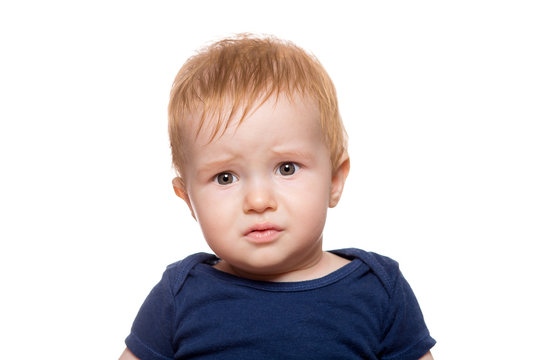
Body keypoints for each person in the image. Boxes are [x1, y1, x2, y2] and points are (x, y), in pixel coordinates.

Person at [119, 34, 436, 360]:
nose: (258, 201)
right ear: (188, 200)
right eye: (225, 177)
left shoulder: (378, 290)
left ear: (335, 180)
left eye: (287, 168)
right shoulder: (179, 295)